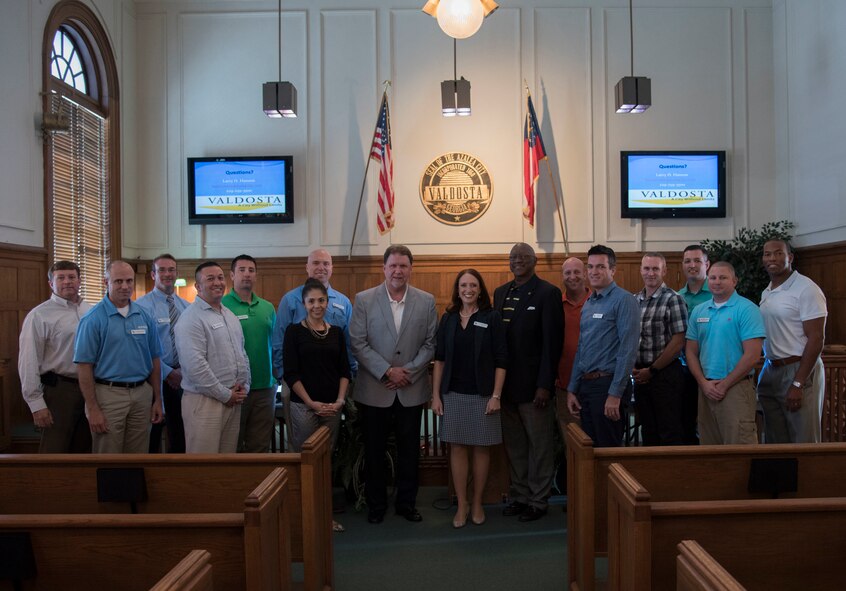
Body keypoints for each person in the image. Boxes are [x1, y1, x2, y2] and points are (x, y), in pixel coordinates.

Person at [349, 245, 437, 524]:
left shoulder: (426, 301)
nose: (398, 271)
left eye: (403, 266)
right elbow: (358, 343)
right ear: (384, 269)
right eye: (393, 266)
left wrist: (406, 372)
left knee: (410, 451)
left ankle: (406, 504)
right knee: (374, 451)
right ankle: (376, 505)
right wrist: (387, 371)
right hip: (375, 390)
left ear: (411, 269)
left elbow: (430, 343)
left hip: (411, 389)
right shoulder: (364, 299)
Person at [431, 269, 507, 528]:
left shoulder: (492, 317)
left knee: (482, 449)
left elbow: (501, 360)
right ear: (457, 288)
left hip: (483, 395)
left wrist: (496, 395)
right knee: (458, 448)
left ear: (480, 289)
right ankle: (462, 503)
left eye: (473, 285)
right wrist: (436, 396)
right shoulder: (449, 318)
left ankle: (477, 502)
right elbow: (439, 360)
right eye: (464, 285)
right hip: (453, 394)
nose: (468, 289)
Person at [494, 243, 563, 522]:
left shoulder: (548, 293)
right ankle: (520, 496)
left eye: (523, 257)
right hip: (506, 388)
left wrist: (545, 385)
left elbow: (552, 345)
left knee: (540, 446)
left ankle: (538, 500)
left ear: (534, 261)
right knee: (516, 446)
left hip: (535, 389)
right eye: (513, 257)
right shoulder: (501, 293)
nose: (517, 261)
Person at [283, 278, 352, 533]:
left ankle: (323, 516)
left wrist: (340, 401)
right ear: (303, 304)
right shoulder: (294, 331)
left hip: (332, 409)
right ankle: (304, 518)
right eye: (311, 301)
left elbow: (345, 370)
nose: (316, 305)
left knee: (325, 463)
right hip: (304, 407)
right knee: (306, 462)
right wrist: (311, 403)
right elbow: (291, 373)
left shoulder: (335, 332)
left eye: (321, 300)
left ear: (327, 302)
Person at [73, 260, 163, 453]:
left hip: (142, 395)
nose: (125, 286)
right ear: (107, 282)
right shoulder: (93, 319)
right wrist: (93, 409)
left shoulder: (144, 315)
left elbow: (155, 359)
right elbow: (84, 366)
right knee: (108, 456)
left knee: (139, 455)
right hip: (108, 395)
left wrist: (157, 399)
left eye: (129, 281)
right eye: (118, 281)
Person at [273, 249, 356, 446]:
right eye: (316, 263)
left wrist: (349, 379)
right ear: (307, 267)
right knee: (301, 446)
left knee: (330, 445)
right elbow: (278, 341)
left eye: (326, 264)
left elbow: (349, 343)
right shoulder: (290, 299)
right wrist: (286, 377)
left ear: (332, 268)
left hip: (334, 386)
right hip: (297, 385)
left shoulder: (343, 302)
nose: (321, 268)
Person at [567, 245, 639, 448]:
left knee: (608, 451)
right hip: (587, 386)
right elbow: (582, 348)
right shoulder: (590, 302)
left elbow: (628, 350)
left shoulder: (624, 300)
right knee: (590, 451)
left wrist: (615, 394)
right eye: (590, 267)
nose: (594, 272)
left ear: (613, 270)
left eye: (600, 266)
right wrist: (573, 388)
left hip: (608, 387)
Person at [685, 261, 766, 445]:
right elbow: (690, 352)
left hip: (735, 388)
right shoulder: (699, 311)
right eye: (713, 278)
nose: (717, 282)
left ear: (734, 281)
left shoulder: (747, 309)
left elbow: (752, 355)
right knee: (709, 447)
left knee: (739, 446)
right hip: (706, 388)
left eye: (723, 277)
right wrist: (703, 383)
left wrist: (724, 385)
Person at [175, 262, 250, 453]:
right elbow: (195, 367)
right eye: (210, 279)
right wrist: (226, 395)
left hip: (232, 399)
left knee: (225, 466)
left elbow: (242, 354)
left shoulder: (229, 315)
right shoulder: (190, 318)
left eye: (220, 277)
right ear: (198, 287)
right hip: (204, 402)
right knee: (202, 468)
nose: (217, 282)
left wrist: (244, 385)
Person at [18, 260, 93, 453]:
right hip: (60, 392)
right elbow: (28, 361)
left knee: (86, 449)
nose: (67, 282)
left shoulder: (91, 311)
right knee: (55, 450)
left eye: (72, 277)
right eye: (61, 278)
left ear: (79, 280)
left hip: (92, 389)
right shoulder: (40, 315)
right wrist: (36, 404)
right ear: (51, 283)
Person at [758, 239, 827, 443]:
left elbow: (817, 338)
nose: (772, 258)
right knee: (774, 440)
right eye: (767, 254)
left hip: (798, 367)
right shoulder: (768, 290)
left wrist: (798, 381)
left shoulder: (806, 289)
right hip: (771, 368)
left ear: (790, 257)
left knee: (803, 439)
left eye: (778, 253)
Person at [632, 253, 688, 445]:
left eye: (655, 268)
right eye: (646, 268)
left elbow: (679, 341)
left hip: (665, 374)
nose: (650, 273)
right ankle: (651, 475)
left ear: (664, 271)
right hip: (640, 374)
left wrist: (653, 370)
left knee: (669, 431)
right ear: (640, 270)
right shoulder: (634, 300)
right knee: (648, 431)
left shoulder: (673, 299)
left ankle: (671, 475)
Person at [222, 254, 276, 452]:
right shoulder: (222, 306)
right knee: (233, 445)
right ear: (232, 275)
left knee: (260, 446)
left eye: (251, 270)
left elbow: (276, 344)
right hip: (235, 389)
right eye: (242, 270)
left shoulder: (267, 307)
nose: (247, 274)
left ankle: (260, 484)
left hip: (265, 387)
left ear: (256, 275)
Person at [136, 253, 189, 453]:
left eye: (171, 270)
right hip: (154, 378)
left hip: (183, 378)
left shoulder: (186, 307)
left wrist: (182, 371)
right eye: (162, 270)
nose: (167, 274)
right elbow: (142, 346)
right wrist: (168, 373)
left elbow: (191, 343)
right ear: (153, 275)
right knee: (153, 434)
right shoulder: (141, 307)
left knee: (181, 433)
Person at [677, 244, 712, 445]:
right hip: (684, 370)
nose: (692, 265)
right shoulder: (677, 297)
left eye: (697, 261)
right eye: (688, 261)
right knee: (685, 422)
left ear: (707, 264)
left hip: (711, 368)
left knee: (711, 425)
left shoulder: (717, 293)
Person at [555, 257, 591, 440]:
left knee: (598, 442)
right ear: (562, 276)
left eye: (577, 272)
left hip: (594, 385)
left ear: (585, 273)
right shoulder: (555, 306)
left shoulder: (598, 301)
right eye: (568, 273)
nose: (572, 276)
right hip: (564, 386)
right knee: (572, 444)